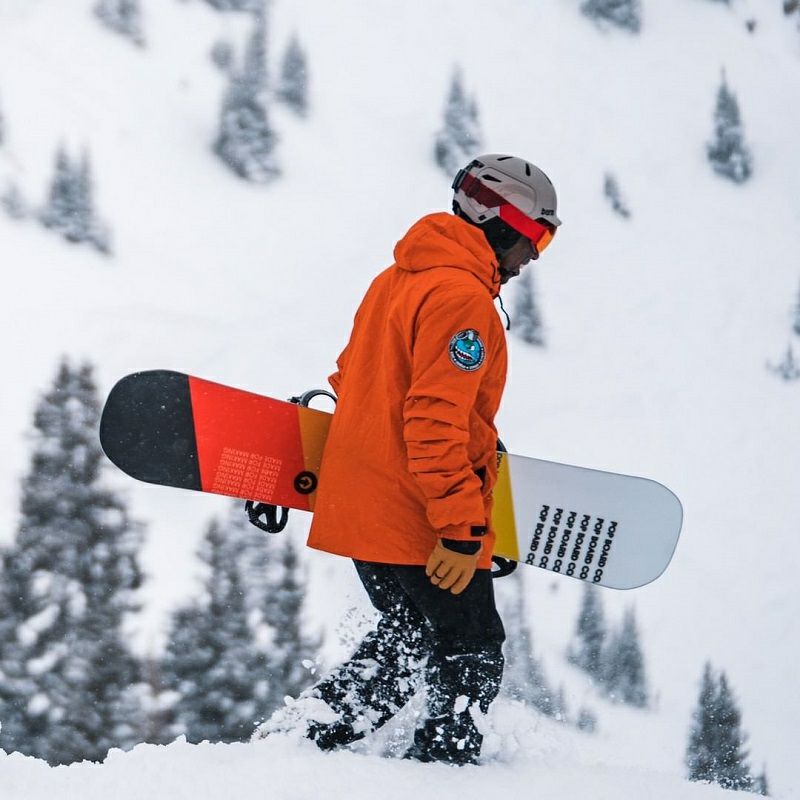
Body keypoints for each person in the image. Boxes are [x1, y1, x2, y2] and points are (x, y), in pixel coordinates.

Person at [261, 154, 561, 764]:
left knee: (409, 636)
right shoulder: (462, 299)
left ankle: (294, 748)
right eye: (537, 236)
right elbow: (431, 420)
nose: (533, 256)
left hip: (361, 505)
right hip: (416, 515)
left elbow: (353, 382)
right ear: (499, 221)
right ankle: (441, 774)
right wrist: (459, 528)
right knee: (472, 648)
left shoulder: (395, 279)